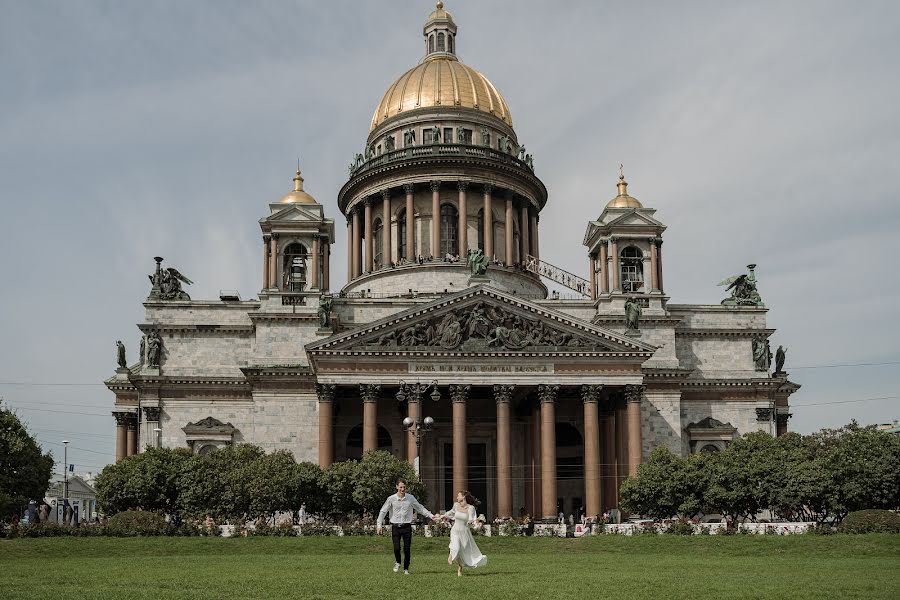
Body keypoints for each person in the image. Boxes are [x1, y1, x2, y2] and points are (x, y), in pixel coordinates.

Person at [377, 479, 435, 575]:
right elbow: (383, 511)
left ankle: (406, 569)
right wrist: (379, 525)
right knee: (397, 548)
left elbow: (420, 508)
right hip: (395, 526)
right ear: (397, 487)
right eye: (400, 487)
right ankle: (398, 562)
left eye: (404, 487)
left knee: (407, 549)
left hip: (407, 526)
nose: (402, 489)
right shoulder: (391, 499)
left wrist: (431, 516)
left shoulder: (410, 498)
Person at [440, 491, 487, 577]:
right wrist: (442, 516)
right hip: (455, 530)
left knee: (462, 551)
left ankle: (459, 569)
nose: (457, 497)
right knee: (456, 547)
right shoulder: (456, 505)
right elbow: (450, 513)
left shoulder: (471, 508)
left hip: (464, 532)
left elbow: (472, 520)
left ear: (463, 497)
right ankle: (451, 554)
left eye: (458, 496)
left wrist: (477, 523)